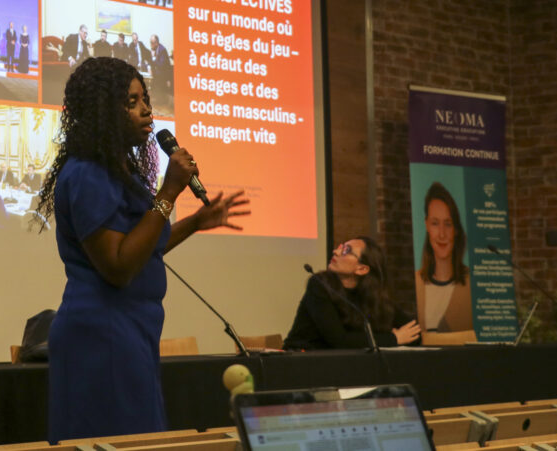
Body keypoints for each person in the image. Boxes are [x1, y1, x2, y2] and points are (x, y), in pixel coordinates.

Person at [38, 57, 249, 443]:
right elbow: (118, 266)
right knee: (123, 443)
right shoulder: (87, 173)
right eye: (132, 102)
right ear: (103, 111)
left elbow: (141, 249)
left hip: (132, 330)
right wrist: (169, 192)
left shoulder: (119, 171)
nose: (147, 110)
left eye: (145, 99)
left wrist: (196, 222)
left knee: (142, 442)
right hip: (102, 334)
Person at [283, 236, 421, 350]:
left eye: (346, 251)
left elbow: (414, 332)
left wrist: (396, 337)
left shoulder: (371, 295)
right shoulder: (319, 284)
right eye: (340, 247)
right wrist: (393, 338)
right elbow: (339, 340)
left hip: (342, 364)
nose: (335, 252)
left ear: (362, 269)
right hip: (303, 359)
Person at [415, 182, 473, 334]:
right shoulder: (415, 282)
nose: (441, 234)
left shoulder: (473, 283)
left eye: (447, 224)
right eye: (435, 223)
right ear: (426, 225)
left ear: (456, 229)